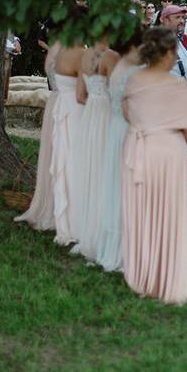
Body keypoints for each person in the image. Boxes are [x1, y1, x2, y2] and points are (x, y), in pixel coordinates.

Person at [121, 27, 187, 305]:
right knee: (169, 213)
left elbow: (128, 115)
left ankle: (144, 274)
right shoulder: (177, 86)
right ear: (168, 53)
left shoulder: (132, 82)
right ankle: (168, 275)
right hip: (168, 152)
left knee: (142, 212)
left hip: (139, 147)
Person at [69, 34, 119, 249]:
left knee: (90, 163)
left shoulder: (86, 55)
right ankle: (103, 221)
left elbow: (80, 96)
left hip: (90, 114)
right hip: (107, 112)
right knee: (106, 166)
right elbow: (120, 92)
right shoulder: (112, 57)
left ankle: (84, 220)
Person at [50, 6, 88, 246]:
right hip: (76, 113)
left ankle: (64, 221)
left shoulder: (61, 50)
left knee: (64, 165)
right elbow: (83, 93)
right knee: (76, 165)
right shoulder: (82, 55)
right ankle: (76, 222)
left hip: (61, 111)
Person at [14, 39, 61, 231]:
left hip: (54, 103)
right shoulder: (74, 53)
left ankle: (50, 201)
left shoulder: (54, 51)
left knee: (53, 153)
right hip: (68, 105)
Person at [161, 5, 187, 83]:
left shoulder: (177, 39)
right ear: (166, 20)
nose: (182, 21)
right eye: (177, 17)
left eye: (183, 18)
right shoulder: (158, 42)